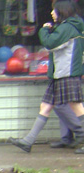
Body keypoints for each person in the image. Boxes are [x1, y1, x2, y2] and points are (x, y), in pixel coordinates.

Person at [8, 1, 84, 153]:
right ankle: (28, 141)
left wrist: (44, 30)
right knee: (46, 106)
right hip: (60, 74)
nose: (51, 13)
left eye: (54, 11)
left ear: (62, 11)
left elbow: (50, 43)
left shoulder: (68, 27)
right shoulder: (68, 27)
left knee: (76, 106)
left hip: (67, 73)